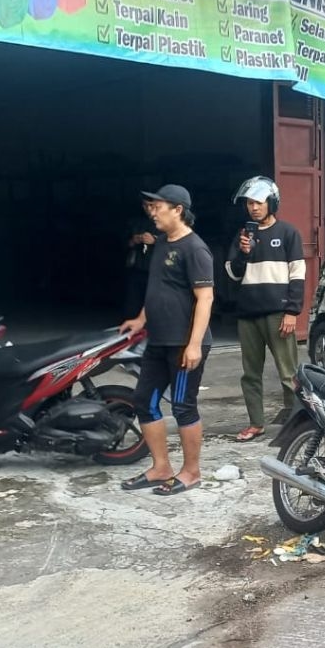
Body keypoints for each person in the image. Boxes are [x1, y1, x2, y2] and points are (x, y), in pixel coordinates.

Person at [119, 184, 214, 496]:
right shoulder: (161, 244)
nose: (153, 211)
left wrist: (194, 344)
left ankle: (191, 472)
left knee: (184, 407)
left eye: (159, 206)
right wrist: (141, 319)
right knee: (144, 401)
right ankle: (161, 466)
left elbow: (205, 298)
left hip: (183, 343)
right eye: (152, 206)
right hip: (158, 340)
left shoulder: (195, 249)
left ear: (178, 210)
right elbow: (158, 287)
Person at [224, 176, 305, 442]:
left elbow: (297, 274)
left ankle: (296, 424)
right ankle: (256, 423)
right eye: (249, 203)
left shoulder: (288, 233)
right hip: (248, 314)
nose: (253, 208)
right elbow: (233, 274)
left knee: (287, 372)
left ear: (271, 203)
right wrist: (244, 253)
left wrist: (293, 311)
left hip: (278, 313)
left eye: (258, 202)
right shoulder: (243, 235)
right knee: (250, 374)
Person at [123, 197, 160, 319]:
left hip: (158, 270)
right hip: (137, 267)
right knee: (133, 303)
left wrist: (155, 240)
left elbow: (177, 241)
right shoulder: (135, 222)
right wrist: (133, 241)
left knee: (154, 302)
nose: (148, 209)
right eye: (145, 206)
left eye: (151, 205)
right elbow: (122, 242)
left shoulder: (166, 222)